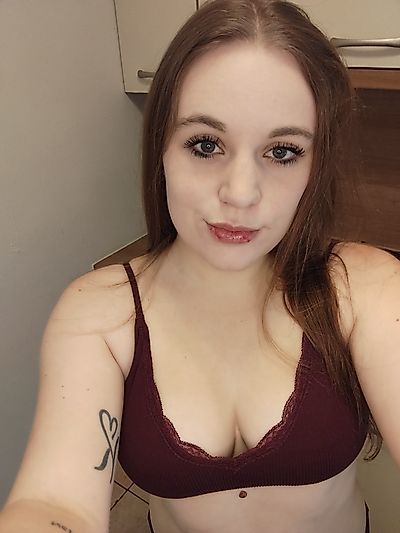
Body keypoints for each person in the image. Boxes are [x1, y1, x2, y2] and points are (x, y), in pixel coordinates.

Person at [1, 0, 399, 532]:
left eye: (283, 151)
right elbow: (56, 502)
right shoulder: (100, 313)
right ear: (162, 149)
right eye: (206, 144)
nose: (241, 193)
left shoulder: (363, 287)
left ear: (315, 164)